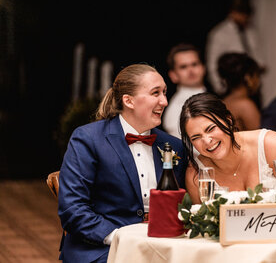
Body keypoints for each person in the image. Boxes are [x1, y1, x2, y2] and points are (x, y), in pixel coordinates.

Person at [58, 64, 188, 262]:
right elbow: (73, 209)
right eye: (155, 93)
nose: (164, 101)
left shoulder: (173, 146)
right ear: (129, 101)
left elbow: (182, 204)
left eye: (164, 92)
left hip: (162, 247)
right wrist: (120, 237)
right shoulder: (88, 139)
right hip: (102, 248)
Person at [179, 92, 276, 204]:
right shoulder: (196, 175)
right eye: (196, 137)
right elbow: (203, 225)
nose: (207, 141)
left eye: (211, 129)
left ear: (229, 120)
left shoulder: (270, 144)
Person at [206, 0, 264, 96]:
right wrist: (220, 88)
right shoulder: (220, 33)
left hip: (251, 84)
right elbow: (212, 64)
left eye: (247, 15)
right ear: (232, 12)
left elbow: (255, 52)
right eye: (242, 14)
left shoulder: (250, 31)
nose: (245, 18)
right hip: (231, 86)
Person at [163, 43, 207, 138]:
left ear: (203, 67)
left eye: (194, 64)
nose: (191, 70)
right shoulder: (177, 110)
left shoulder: (206, 96)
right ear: (173, 75)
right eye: (183, 67)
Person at [218, 52, 262, 130]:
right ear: (248, 77)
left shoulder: (222, 102)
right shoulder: (245, 105)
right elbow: (259, 138)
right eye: (257, 75)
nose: (258, 81)